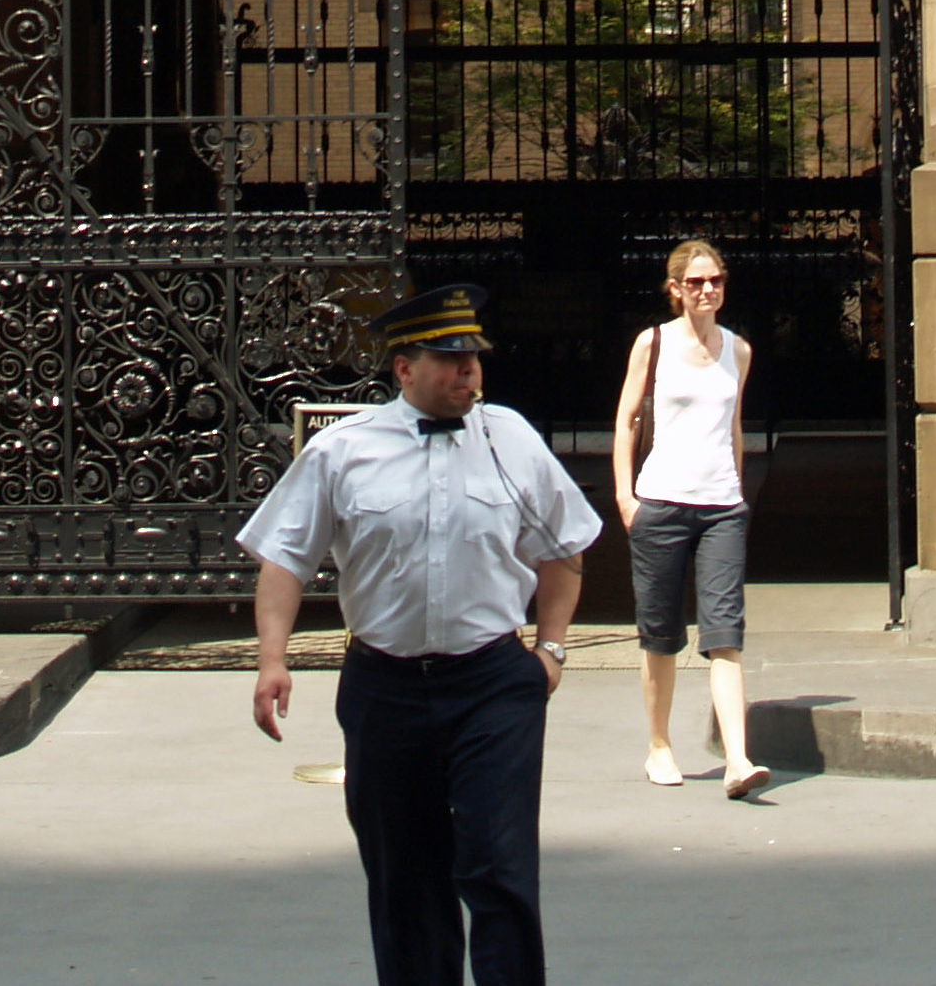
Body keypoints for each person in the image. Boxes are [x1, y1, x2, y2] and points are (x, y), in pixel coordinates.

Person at [242, 284, 602, 986]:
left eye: (473, 357)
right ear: (404, 368)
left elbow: (566, 547)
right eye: (448, 357)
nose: (467, 370)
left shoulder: (513, 439)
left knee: (498, 869)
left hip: (493, 683)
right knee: (405, 881)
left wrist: (550, 650)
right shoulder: (342, 451)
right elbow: (285, 555)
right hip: (386, 688)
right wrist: (272, 659)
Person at [611, 239, 769, 799]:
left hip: (722, 507)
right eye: (697, 282)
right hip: (661, 504)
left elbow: (733, 425)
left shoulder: (739, 351)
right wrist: (627, 498)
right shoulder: (652, 344)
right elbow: (627, 420)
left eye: (717, 281)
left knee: (725, 633)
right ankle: (659, 744)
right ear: (675, 289)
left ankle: (737, 759)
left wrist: (738, 486)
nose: (709, 290)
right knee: (660, 635)